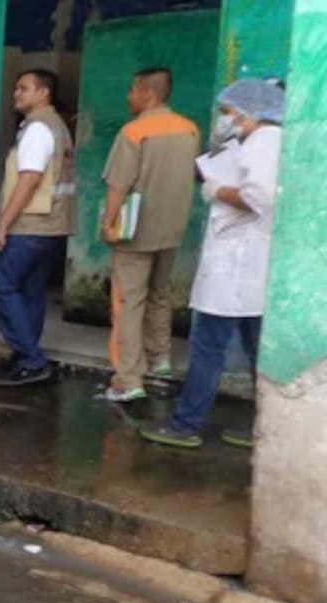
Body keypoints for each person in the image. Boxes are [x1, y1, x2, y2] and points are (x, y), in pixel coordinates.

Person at [140, 78, 283, 448]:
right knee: (256, 350)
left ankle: (186, 425)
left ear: (250, 111)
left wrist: (216, 189)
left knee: (207, 348)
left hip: (236, 268)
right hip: (249, 269)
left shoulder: (263, 142)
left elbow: (259, 197)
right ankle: (266, 428)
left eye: (228, 111)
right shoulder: (262, 142)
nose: (224, 118)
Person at [100, 68, 200, 402]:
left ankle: (128, 379)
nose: (128, 96)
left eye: (133, 90)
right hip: (172, 229)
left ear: (148, 94)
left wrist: (108, 223)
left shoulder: (134, 131)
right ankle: (161, 359)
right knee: (159, 293)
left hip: (135, 231)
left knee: (128, 302)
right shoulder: (189, 129)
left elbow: (119, 184)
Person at [0, 69, 75, 386]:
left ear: (43, 93)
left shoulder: (38, 129)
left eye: (23, 88)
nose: (16, 94)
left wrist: (2, 225)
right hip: (52, 225)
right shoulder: (57, 126)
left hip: (30, 225)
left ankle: (31, 358)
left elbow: (29, 180)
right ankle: (26, 355)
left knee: (2, 286)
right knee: (30, 291)